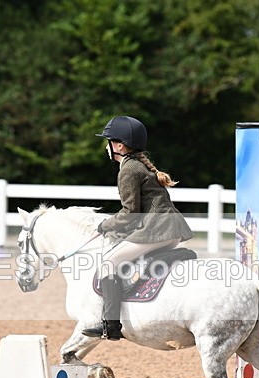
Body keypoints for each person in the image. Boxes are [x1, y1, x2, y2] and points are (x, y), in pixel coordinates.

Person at [82, 115, 194, 340]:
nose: (107, 146)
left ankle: (111, 325)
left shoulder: (129, 169)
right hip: (171, 230)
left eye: (109, 141)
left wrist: (105, 225)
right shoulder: (139, 165)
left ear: (119, 145)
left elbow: (130, 213)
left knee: (108, 264)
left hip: (157, 230)